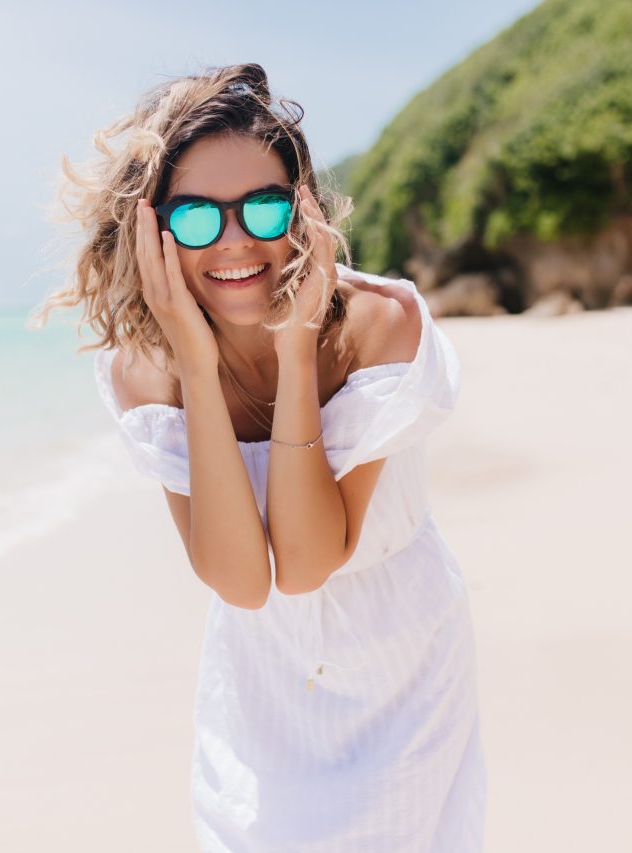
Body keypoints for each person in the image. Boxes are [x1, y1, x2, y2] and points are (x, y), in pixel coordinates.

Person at [34, 62, 486, 851]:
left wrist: (299, 348)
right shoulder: (148, 369)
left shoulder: (377, 329)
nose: (237, 241)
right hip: (261, 680)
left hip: (402, 665)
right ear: (153, 229)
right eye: (198, 217)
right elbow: (246, 584)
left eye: (264, 208)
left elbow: (309, 561)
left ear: (303, 212)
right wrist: (196, 364)